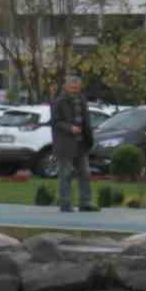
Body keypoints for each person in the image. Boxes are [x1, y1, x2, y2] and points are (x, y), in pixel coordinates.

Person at [50, 75, 97, 213]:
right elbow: (55, 122)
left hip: (81, 143)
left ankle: (85, 202)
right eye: (72, 87)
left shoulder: (82, 99)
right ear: (66, 87)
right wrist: (70, 128)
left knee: (85, 173)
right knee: (66, 174)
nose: (74, 90)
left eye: (76, 87)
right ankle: (65, 204)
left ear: (80, 87)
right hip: (65, 144)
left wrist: (89, 136)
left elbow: (86, 120)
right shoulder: (59, 101)